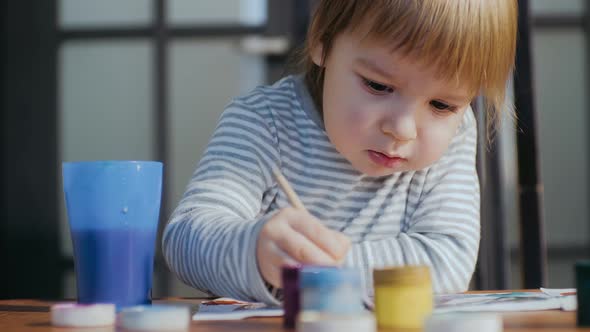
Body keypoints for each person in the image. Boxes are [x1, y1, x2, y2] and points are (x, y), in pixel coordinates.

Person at [162, 0, 517, 305]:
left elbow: (447, 262)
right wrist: (255, 252)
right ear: (322, 42)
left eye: (441, 105)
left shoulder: (456, 135)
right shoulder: (264, 122)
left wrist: (325, 270)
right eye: (379, 86)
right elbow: (185, 239)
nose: (403, 129)